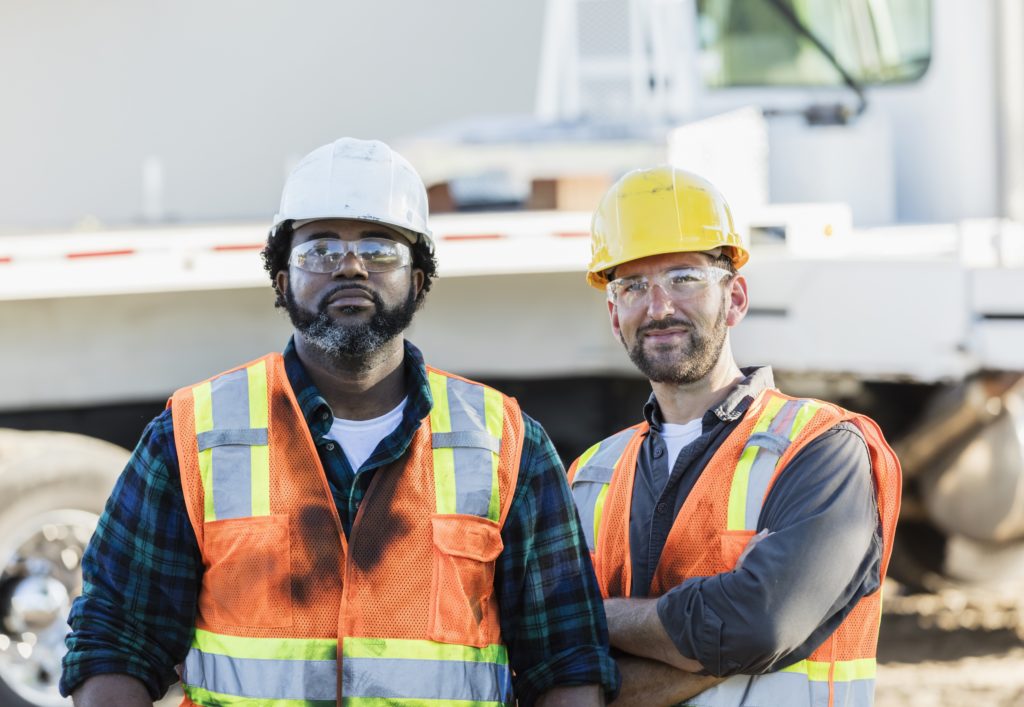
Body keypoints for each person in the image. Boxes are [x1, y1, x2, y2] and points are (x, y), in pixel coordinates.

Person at [61, 137, 619, 707]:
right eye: (320, 250)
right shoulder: (191, 436)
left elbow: (565, 659)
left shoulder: (505, 443)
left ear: (419, 282)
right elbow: (117, 640)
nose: (350, 266)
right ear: (281, 280)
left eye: (379, 250)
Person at [567, 166, 901, 707]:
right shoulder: (588, 476)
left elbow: (760, 624)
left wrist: (595, 617)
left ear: (736, 298)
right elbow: (545, 660)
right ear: (614, 315)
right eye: (632, 286)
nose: (659, 307)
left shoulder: (821, 447)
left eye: (684, 278)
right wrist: (714, 632)